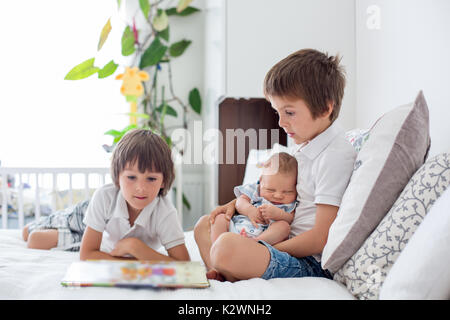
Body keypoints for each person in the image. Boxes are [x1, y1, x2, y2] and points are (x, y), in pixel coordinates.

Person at [194, 48, 357, 282]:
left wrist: (264, 247)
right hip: (275, 239)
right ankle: (223, 271)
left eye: (289, 112)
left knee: (226, 247)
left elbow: (321, 237)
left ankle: (227, 267)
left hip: (305, 260)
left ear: (325, 108)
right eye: (277, 112)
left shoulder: (334, 155)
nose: (281, 122)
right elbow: (267, 188)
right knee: (203, 225)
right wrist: (233, 205)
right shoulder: (303, 147)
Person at [22, 129, 190, 262]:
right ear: (118, 176)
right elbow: (87, 254)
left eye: (151, 179)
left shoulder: (164, 212)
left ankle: (87, 237)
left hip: (103, 236)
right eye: (131, 177)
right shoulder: (104, 196)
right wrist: (134, 258)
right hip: (83, 218)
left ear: (163, 181)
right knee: (29, 235)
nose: (141, 188)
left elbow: (183, 263)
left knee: (36, 240)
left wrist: (135, 248)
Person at [211, 152, 298, 246]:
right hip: (236, 230)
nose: (278, 196)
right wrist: (249, 210)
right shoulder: (254, 190)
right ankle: (218, 247)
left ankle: (254, 243)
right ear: (261, 181)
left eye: (287, 192)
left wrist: (278, 214)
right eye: (270, 190)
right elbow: (239, 202)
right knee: (220, 218)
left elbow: (291, 219)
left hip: (263, 237)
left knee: (284, 227)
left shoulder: (289, 204)